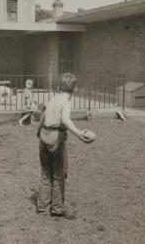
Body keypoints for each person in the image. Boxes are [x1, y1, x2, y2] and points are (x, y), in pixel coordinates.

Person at [36, 73, 91, 218]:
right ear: (75, 89)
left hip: (43, 136)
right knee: (59, 174)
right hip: (56, 138)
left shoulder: (53, 99)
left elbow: (43, 117)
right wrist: (79, 134)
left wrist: (38, 132)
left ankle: (42, 208)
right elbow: (65, 120)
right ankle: (56, 209)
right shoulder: (66, 101)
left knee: (45, 173)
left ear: (58, 86)